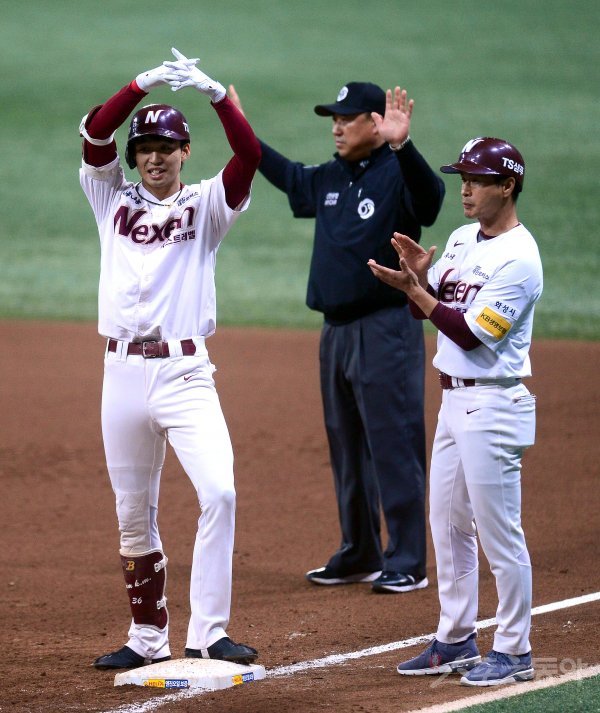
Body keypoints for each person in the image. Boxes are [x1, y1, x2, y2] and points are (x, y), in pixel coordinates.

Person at [79, 48, 261, 670]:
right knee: (133, 513)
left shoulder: (207, 205)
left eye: (166, 147)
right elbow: (96, 134)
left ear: (185, 152)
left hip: (185, 373)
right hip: (122, 375)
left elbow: (249, 157)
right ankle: (147, 637)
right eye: (144, 148)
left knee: (221, 492)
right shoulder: (109, 198)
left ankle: (208, 633)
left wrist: (218, 96)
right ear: (134, 157)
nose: (154, 157)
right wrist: (141, 83)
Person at [229, 82, 445, 593]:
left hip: (386, 328)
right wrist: (242, 131)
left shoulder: (397, 172)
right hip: (335, 333)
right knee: (347, 447)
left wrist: (403, 145)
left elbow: (431, 202)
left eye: (347, 118)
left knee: (393, 444)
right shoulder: (331, 177)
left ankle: (407, 559)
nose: (337, 127)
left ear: (376, 123)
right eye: (334, 118)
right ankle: (360, 550)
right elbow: (284, 174)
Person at [368, 137, 542, 686]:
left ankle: (514, 649)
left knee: (499, 534)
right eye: (462, 178)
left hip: (493, 404)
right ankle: (456, 637)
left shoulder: (521, 259)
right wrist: (419, 277)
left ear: (507, 186)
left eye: (478, 180)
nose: (465, 189)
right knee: (446, 525)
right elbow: (428, 307)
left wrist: (416, 291)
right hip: (453, 401)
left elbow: (467, 332)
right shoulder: (464, 239)